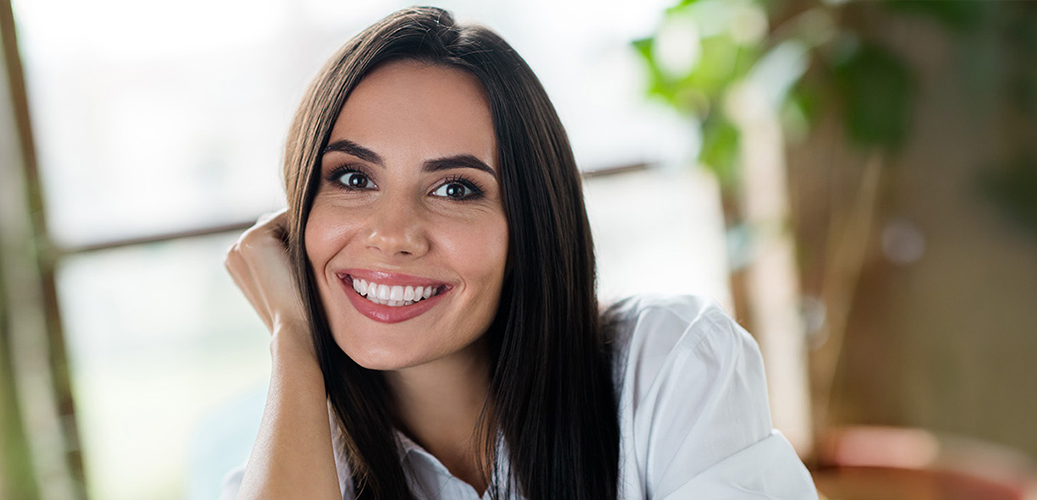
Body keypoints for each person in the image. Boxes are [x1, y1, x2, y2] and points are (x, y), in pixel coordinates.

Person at [221, 6, 818, 500]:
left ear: (530, 221)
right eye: (353, 179)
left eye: (456, 188)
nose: (392, 233)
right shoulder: (295, 470)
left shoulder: (666, 368)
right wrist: (294, 345)